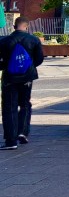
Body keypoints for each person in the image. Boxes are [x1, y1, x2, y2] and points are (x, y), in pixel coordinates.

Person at [0, 16, 44, 150]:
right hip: (27, 78)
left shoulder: (4, 41)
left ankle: (11, 141)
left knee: (9, 107)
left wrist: (7, 67)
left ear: (14, 26)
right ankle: (23, 132)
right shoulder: (34, 40)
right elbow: (39, 59)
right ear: (27, 27)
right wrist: (28, 69)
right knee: (25, 104)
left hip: (10, 78)